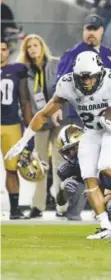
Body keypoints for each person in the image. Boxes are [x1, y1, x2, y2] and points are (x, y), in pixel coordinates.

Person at [5, 51, 111, 240]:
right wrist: (23, 140)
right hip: (91, 132)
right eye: (82, 78)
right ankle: (105, 228)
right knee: (89, 178)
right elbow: (44, 114)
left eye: (90, 77)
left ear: (99, 74)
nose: (85, 82)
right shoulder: (67, 84)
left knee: (106, 167)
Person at [17, 34, 64, 218]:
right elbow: (26, 99)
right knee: (40, 164)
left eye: (35, 45)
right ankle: (38, 206)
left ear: (42, 46)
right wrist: (30, 121)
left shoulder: (56, 64)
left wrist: (58, 110)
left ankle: (62, 206)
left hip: (58, 119)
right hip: (40, 123)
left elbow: (64, 88)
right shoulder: (26, 71)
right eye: (29, 47)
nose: (33, 49)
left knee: (60, 164)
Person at [55, 14, 111, 127]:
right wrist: (57, 107)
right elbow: (60, 84)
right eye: (88, 29)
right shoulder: (72, 54)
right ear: (83, 31)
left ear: (102, 31)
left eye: (94, 29)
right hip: (80, 116)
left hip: (106, 114)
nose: (91, 33)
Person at [0, 38, 32, 219]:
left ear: (7, 51)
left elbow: (24, 100)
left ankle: (14, 209)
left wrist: (29, 129)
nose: (1, 53)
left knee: (12, 169)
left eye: (3, 49)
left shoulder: (16, 71)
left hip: (11, 125)